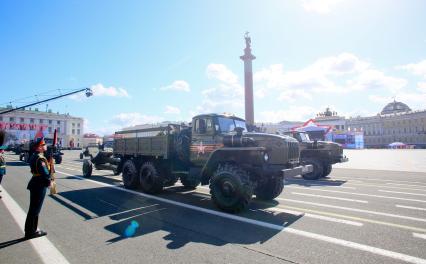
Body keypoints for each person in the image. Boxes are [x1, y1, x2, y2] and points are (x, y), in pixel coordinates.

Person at [24, 137, 51, 239]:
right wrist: (49, 178)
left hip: (35, 183)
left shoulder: (36, 156)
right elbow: (45, 173)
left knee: (33, 208)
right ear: (39, 147)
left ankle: (30, 230)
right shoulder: (40, 158)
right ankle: (31, 231)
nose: (45, 146)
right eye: (43, 145)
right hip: (39, 184)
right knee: (35, 209)